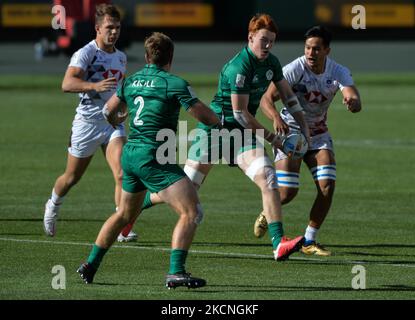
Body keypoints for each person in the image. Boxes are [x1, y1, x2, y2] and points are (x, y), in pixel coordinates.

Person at [137, 13, 311, 261]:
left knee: (268, 176)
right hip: (215, 132)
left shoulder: (271, 62)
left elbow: (288, 96)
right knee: (185, 188)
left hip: (242, 136)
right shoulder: (238, 67)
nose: (268, 46)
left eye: (272, 41)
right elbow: (240, 114)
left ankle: (278, 243)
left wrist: (305, 127)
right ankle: (134, 207)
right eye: (264, 40)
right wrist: (274, 139)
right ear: (250, 38)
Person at [77, 32, 222, 289]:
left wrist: (116, 122)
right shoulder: (175, 83)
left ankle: (90, 264)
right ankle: (175, 272)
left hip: (130, 155)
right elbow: (207, 118)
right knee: (192, 212)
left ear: (146, 57)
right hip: (155, 156)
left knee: (123, 214)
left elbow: (108, 110)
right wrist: (222, 122)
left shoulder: (131, 81)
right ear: (171, 58)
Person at [254, 25, 362, 256]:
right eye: (307, 48)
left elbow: (353, 95)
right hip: (291, 132)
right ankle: (267, 211)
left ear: (327, 51)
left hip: (318, 135)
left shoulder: (338, 71)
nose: (311, 53)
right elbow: (266, 99)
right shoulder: (295, 69)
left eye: (316, 49)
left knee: (327, 186)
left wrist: (353, 102)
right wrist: (275, 117)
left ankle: (309, 240)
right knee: (287, 193)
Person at [43, 4, 137, 242]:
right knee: (72, 177)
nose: (114, 32)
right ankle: (53, 205)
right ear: (97, 28)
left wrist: (124, 108)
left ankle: (122, 227)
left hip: (112, 124)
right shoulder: (86, 53)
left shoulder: (121, 57)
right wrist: (94, 86)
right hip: (87, 124)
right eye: (109, 27)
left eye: (117, 27)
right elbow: (67, 83)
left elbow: (120, 88)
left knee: (122, 173)